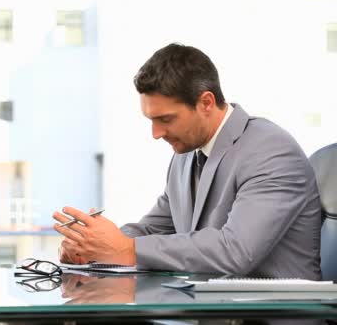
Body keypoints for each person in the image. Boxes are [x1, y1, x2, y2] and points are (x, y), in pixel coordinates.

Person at [53, 43, 322, 279]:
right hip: (207, 311)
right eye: (151, 121)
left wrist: (125, 249)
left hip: (271, 315)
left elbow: (236, 250)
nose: (156, 134)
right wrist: (91, 247)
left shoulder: (270, 150)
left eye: (166, 119)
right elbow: (155, 228)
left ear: (206, 102)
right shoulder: (186, 156)